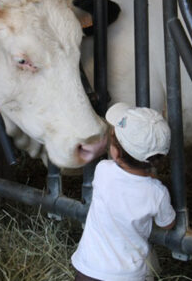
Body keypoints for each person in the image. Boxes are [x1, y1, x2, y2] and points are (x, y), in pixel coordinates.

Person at [71, 103, 176, 281]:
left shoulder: (103, 170)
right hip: (129, 275)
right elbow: (168, 224)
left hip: (88, 268)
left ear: (116, 153)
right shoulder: (157, 193)